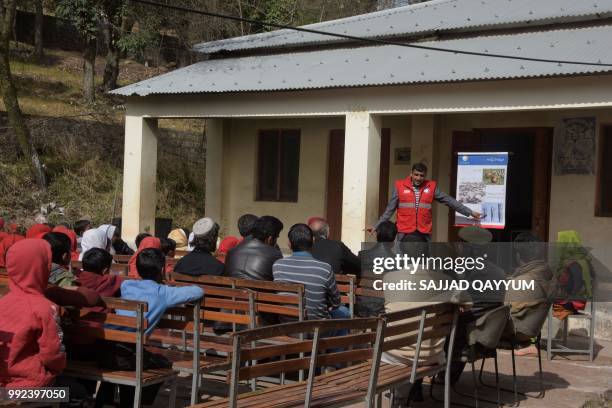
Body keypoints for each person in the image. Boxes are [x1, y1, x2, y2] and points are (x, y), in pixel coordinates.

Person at [0, 239, 66, 387]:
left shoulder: (3, 301)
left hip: (3, 383)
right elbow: (53, 355)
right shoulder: (46, 308)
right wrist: (59, 367)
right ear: (42, 267)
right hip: (29, 386)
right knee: (73, 393)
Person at [370, 162, 482, 242]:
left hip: (424, 232)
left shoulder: (431, 187)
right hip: (404, 232)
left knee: (423, 263)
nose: (418, 178)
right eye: (416, 175)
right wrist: (377, 226)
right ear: (411, 174)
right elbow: (389, 210)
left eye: (421, 175)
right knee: (403, 262)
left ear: (425, 176)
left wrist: (470, 212)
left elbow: (449, 200)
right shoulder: (399, 186)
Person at [273, 223, 350, 322]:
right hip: (316, 330)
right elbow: (336, 303)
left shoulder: (277, 266)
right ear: (313, 241)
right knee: (344, 312)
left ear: (289, 244)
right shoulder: (324, 268)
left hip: (287, 325)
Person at [505, 232, 555, 356]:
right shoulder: (547, 274)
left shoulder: (523, 281)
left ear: (518, 255)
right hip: (533, 329)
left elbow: (505, 310)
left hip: (517, 331)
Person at [356, 220, 398, 317]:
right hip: (384, 309)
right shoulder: (397, 261)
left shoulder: (362, 255)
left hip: (360, 307)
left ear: (376, 236)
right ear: (394, 239)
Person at [225, 216, 283, 281]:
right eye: (277, 237)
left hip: (231, 290)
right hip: (259, 290)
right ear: (270, 239)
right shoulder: (275, 254)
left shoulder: (232, 251)